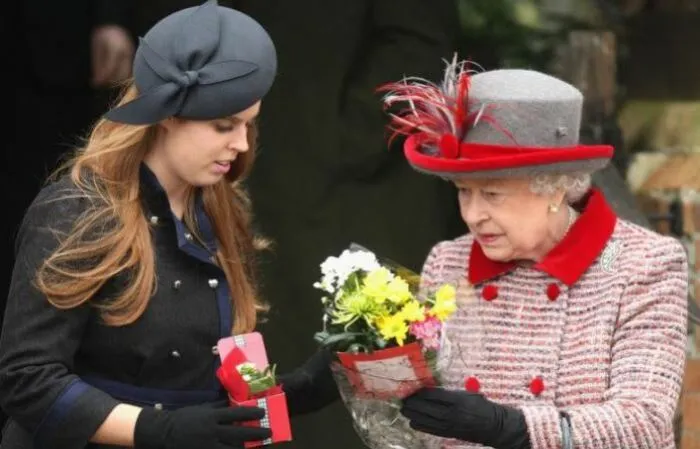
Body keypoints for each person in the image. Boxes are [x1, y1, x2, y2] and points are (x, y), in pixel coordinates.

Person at [0, 2, 337, 448]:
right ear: (167, 115)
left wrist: (305, 389)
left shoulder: (221, 207)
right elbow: (27, 380)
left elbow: (202, 394)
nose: (240, 144)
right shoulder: (76, 209)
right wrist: (156, 430)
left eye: (248, 125)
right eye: (224, 125)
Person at [378, 59, 689, 449]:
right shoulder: (449, 261)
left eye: (492, 194)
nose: (473, 215)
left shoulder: (639, 263)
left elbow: (642, 421)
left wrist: (509, 426)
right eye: (463, 190)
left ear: (555, 188)